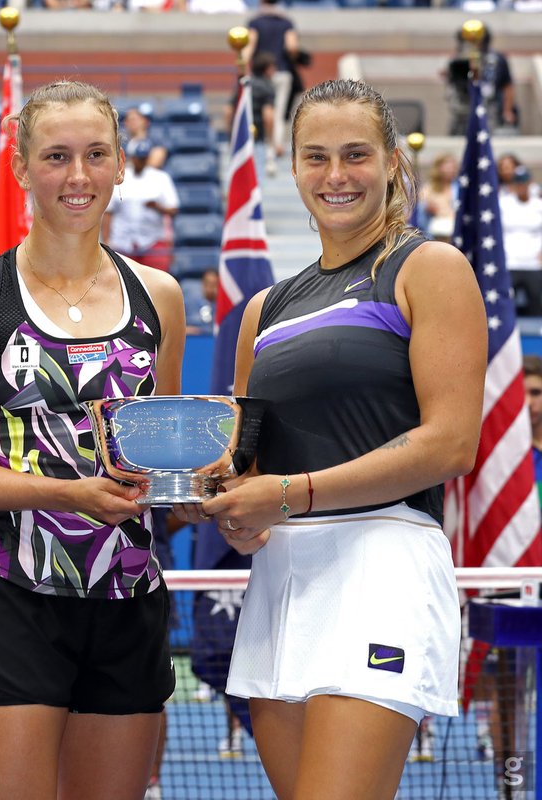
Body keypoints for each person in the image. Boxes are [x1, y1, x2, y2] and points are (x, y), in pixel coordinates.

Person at [175, 79, 486, 800]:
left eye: (355, 155)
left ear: (391, 165)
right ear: (292, 166)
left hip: (383, 564)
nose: (336, 176)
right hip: (281, 578)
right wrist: (208, 496)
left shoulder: (428, 269)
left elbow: (448, 445)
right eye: (316, 157)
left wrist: (288, 494)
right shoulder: (266, 308)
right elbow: (248, 460)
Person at [0, 79, 185, 800]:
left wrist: (204, 490)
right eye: (57, 156)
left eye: (97, 154)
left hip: (128, 595)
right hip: (9, 593)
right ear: (22, 167)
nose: (79, 176)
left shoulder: (159, 296)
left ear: (122, 164)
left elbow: (159, 454)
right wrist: (66, 493)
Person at [103, 139, 179, 272]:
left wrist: (157, 207)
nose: (141, 161)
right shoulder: (119, 177)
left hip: (152, 239)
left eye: (143, 158)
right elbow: (109, 212)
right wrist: (106, 241)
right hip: (122, 241)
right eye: (138, 158)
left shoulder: (160, 177)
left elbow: (173, 208)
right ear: (131, 157)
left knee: (157, 282)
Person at [242, 0, 300, 163]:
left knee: (261, 112)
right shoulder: (286, 22)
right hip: (281, 71)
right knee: (279, 112)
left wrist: (244, 66)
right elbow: (292, 46)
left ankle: (264, 148)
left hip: (261, 74)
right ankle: (277, 146)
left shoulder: (256, 22)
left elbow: (250, 46)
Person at [445, 25, 515, 136]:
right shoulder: (457, 60)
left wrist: (507, 111)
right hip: (461, 110)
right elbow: (453, 83)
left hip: (487, 108)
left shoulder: (496, 60)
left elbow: (507, 86)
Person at [502, 166, 542, 317]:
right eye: (518, 181)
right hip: (510, 263)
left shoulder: (539, 205)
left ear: (530, 182)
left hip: (534, 264)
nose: (521, 185)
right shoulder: (504, 203)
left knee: (535, 305)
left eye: (524, 181)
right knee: (506, 307)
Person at [420, 152, 458, 243]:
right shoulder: (428, 188)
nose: (450, 170)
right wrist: (427, 209)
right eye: (447, 167)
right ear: (439, 168)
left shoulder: (459, 188)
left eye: (453, 167)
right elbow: (421, 213)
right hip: (435, 233)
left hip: (454, 233)